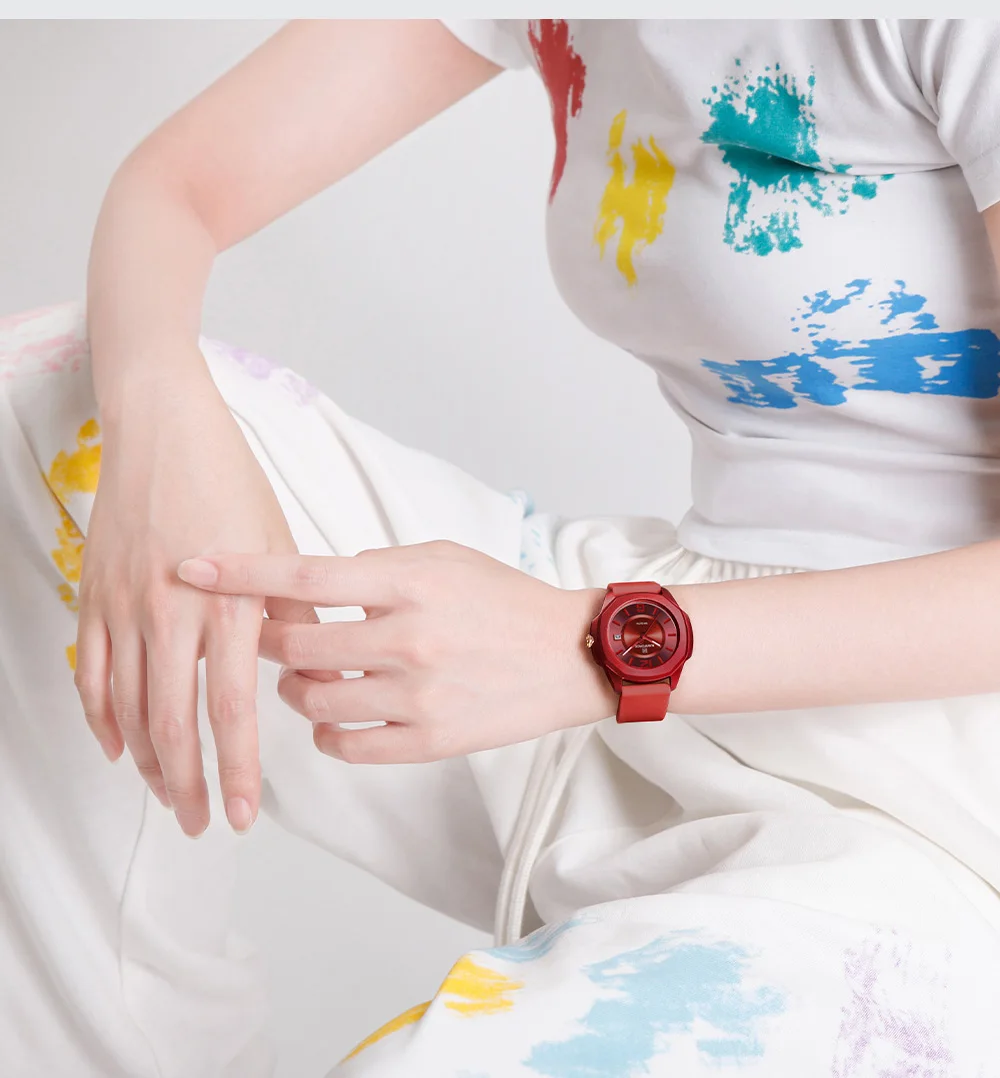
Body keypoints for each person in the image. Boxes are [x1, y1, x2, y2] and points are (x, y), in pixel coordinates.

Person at [3, 17, 1000, 1077]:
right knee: (59, 403)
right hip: (652, 665)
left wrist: (588, 647)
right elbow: (175, 189)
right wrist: (161, 409)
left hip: (935, 778)